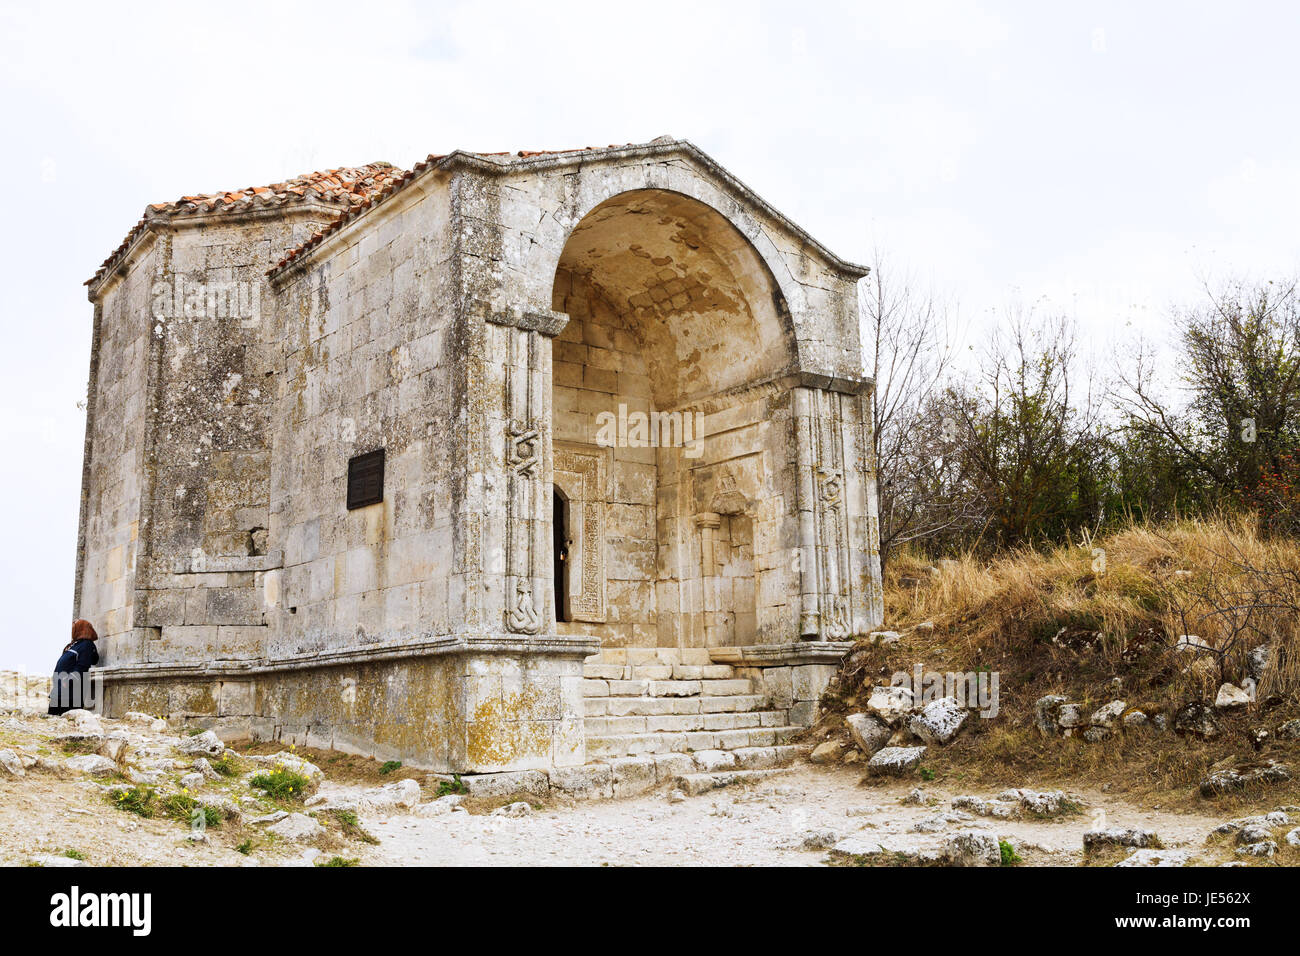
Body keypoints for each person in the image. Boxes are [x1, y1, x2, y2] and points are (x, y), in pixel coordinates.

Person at [49, 619, 99, 715]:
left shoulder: (86, 645)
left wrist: (69, 680)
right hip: (59, 692)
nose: (72, 629)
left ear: (81, 629)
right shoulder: (75, 645)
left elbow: (82, 666)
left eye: (75, 626)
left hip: (70, 694)